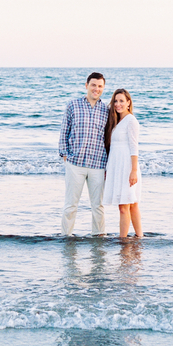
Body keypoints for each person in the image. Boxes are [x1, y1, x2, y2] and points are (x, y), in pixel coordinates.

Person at [59, 72, 109, 236]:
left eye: (100, 86)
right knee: (71, 205)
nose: (96, 89)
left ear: (103, 88)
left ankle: (98, 237)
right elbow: (64, 131)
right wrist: (65, 155)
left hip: (98, 164)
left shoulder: (107, 110)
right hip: (75, 163)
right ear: (86, 85)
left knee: (98, 206)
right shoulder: (73, 105)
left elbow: (109, 138)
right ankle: (66, 237)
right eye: (93, 85)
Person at [103, 89, 143, 238]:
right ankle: (140, 237)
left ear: (128, 103)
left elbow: (134, 147)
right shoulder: (116, 121)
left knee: (126, 205)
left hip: (127, 166)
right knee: (131, 205)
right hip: (117, 166)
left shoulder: (131, 121)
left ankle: (123, 240)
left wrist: (133, 170)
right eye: (115, 101)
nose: (118, 104)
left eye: (121, 101)